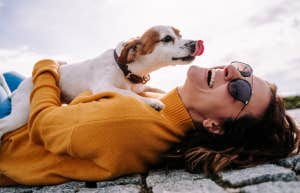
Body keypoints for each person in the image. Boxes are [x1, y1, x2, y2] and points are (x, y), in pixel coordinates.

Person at [0, 59, 298, 186]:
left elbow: (45, 126)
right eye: (245, 70)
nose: (233, 71)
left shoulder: (130, 123)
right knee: (12, 75)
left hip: (10, 143)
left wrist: (46, 68)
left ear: (214, 126)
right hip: (20, 118)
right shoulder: (163, 106)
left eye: (239, 90)